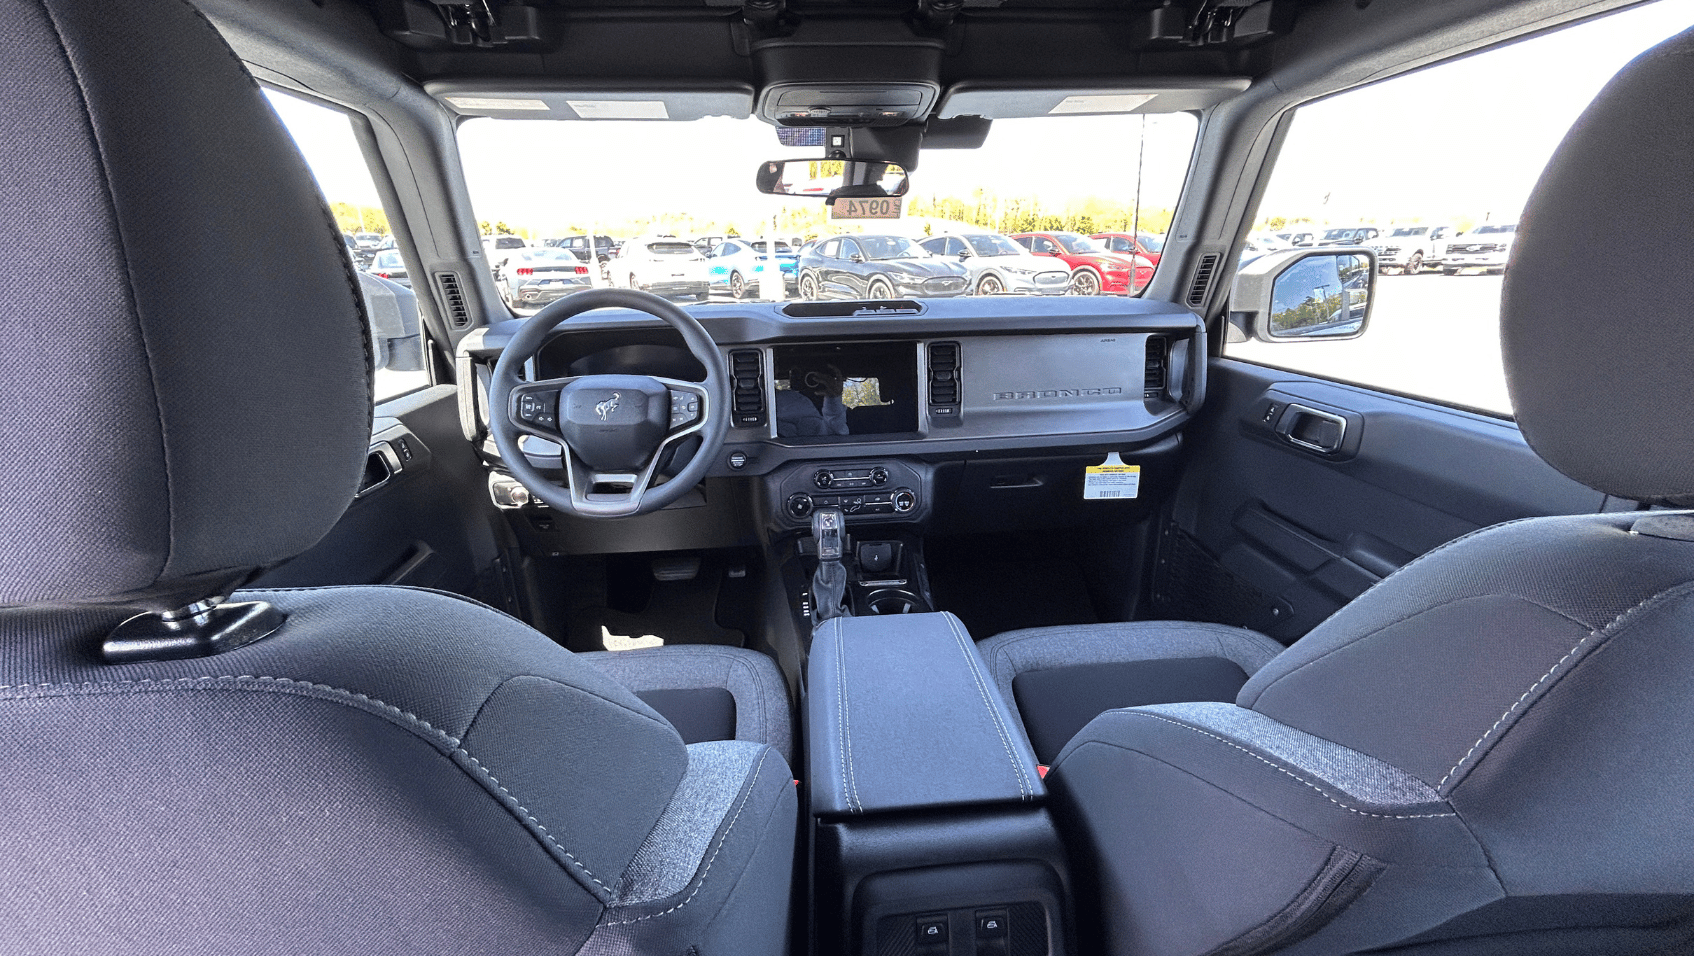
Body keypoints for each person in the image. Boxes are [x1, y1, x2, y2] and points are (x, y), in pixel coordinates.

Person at [776, 364, 850, 437]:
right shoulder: (790, 399)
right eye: (797, 374)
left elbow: (832, 438)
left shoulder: (791, 400)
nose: (811, 380)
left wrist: (833, 399)